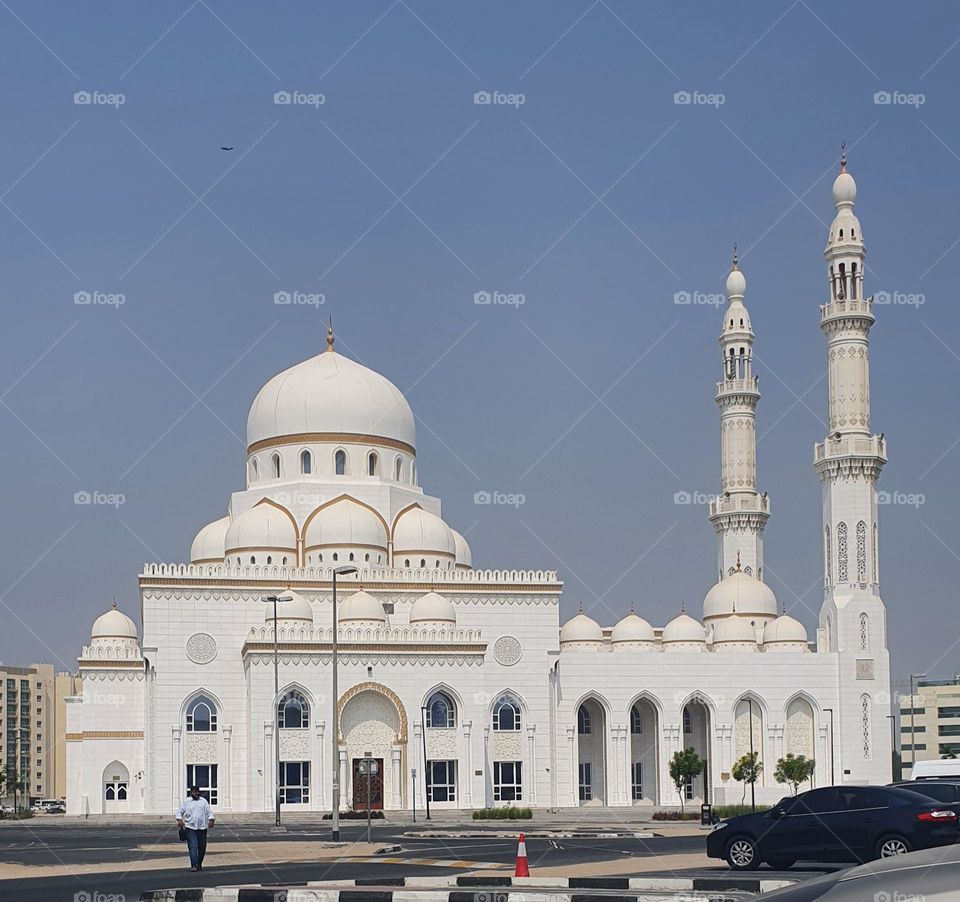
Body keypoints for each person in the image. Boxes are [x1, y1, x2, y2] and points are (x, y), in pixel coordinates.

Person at [175, 786, 215, 871]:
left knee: (202, 847)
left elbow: (209, 811)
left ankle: (199, 863)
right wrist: (179, 819)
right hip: (191, 827)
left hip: (202, 828)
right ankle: (194, 865)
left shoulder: (203, 801)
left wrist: (211, 819)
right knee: (193, 846)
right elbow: (179, 812)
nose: (196, 793)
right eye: (194, 792)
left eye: (197, 792)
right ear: (191, 793)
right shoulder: (187, 802)